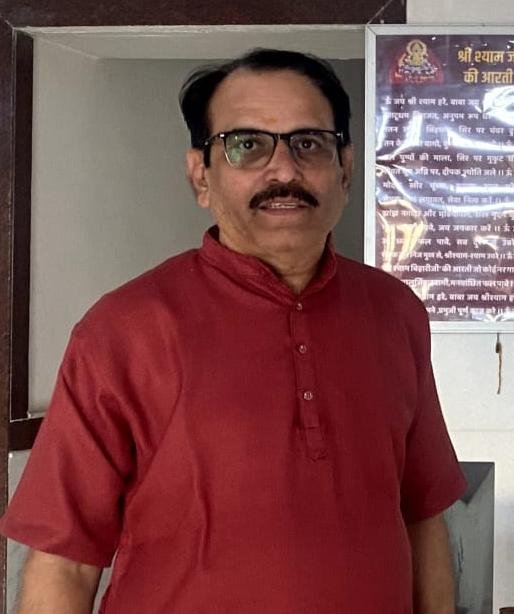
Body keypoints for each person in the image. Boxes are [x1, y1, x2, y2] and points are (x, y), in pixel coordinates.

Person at [0, 49, 466, 613]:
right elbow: (66, 561)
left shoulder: (395, 313)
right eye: (247, 145)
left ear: (345, 169)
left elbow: (422, 516)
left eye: (309, 143)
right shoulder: (122, 331)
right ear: (201, 175)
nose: (284, 171)